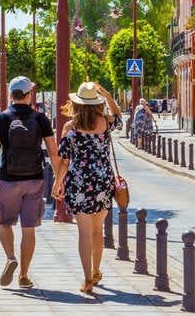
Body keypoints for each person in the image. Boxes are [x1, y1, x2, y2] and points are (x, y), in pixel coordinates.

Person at [0, 76, 58, 289]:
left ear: (11, 95)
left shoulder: (1, 119)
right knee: (28, 229)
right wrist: (60, 180)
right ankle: (24, 276)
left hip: (8, 180)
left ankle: (10, 257)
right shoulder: (40, 119)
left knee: (4, 223)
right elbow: (53, 152)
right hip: (34, 180)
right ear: (28, 94)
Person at [51, 82, 123, 293]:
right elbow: (119, 116)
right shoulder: (106, 122)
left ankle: (87, 278)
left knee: (84, 232)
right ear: (97, 103)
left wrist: (58, 183)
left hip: (80, 182)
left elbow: (64, 160)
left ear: (77, 104)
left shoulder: (70, 128)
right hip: (102, 181)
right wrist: (108, 95)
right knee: (97, 230)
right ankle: (96, 270)